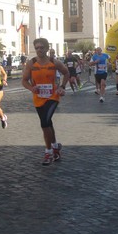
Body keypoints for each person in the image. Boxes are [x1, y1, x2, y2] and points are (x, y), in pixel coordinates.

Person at [22, 38, 69, 166]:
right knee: (48, 123)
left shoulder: (54, 62)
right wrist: (32, 88)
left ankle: (48, 152)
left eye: (41, 47)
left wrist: (62, 87)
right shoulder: (31, 63)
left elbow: (66, 73)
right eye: (37, 48)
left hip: (52, 97)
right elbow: (24, 80)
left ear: (47, 49)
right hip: (38, 98)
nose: (39, 50)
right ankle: (55, 147)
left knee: (45, 123)